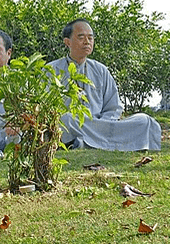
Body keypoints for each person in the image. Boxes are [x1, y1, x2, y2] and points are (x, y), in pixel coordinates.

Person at [49, 19, 161, 151]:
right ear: (67, 42)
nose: (87, 42)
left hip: (101, 124)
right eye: (81, 37)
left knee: (144, 120)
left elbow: (114, 107)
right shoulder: (52, 70)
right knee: (66, 119)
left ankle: (84, 143)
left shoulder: (100, 70)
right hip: (73, 125)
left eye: (90, 38)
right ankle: (92, 142)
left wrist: (103, 124)